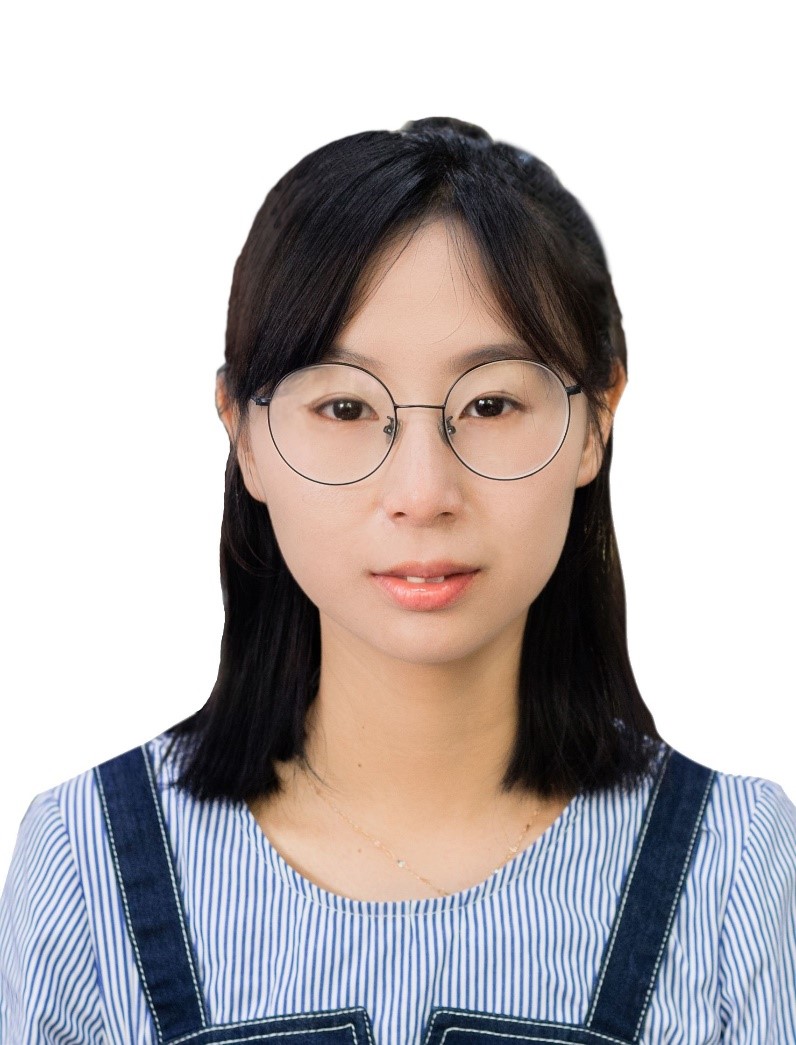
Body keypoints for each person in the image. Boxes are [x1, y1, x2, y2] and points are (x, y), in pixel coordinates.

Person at [1, 116, 794, 1044]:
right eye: (345, 406)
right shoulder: (88, 863)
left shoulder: (734, 868)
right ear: (243, 434)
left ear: (595, 422)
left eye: (490, 402)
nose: (423, 493)